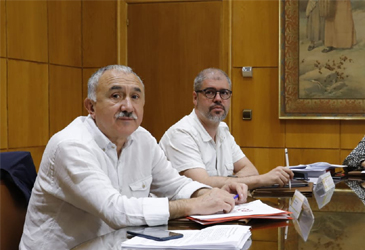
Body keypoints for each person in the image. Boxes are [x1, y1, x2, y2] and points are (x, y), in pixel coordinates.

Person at [19, 65, 248, 249]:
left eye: (135, 97)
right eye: (116, 96)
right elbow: (116, 211)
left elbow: (175, 184)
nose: (128, 106)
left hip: (121, 243)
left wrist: (209, 193)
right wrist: (194, 204)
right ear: (91, 107)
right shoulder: (70, 145)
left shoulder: (142, 138)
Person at [159, 68, 293, 189]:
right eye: (210, 92)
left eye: (224, 93)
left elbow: (250, 170)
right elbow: (201, 184)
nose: (218, 99)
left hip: (215, 210)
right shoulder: (181, 133)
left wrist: (227, 182)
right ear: (195, 98)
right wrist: (262, 179)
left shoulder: (222, 130)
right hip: (180, 214)